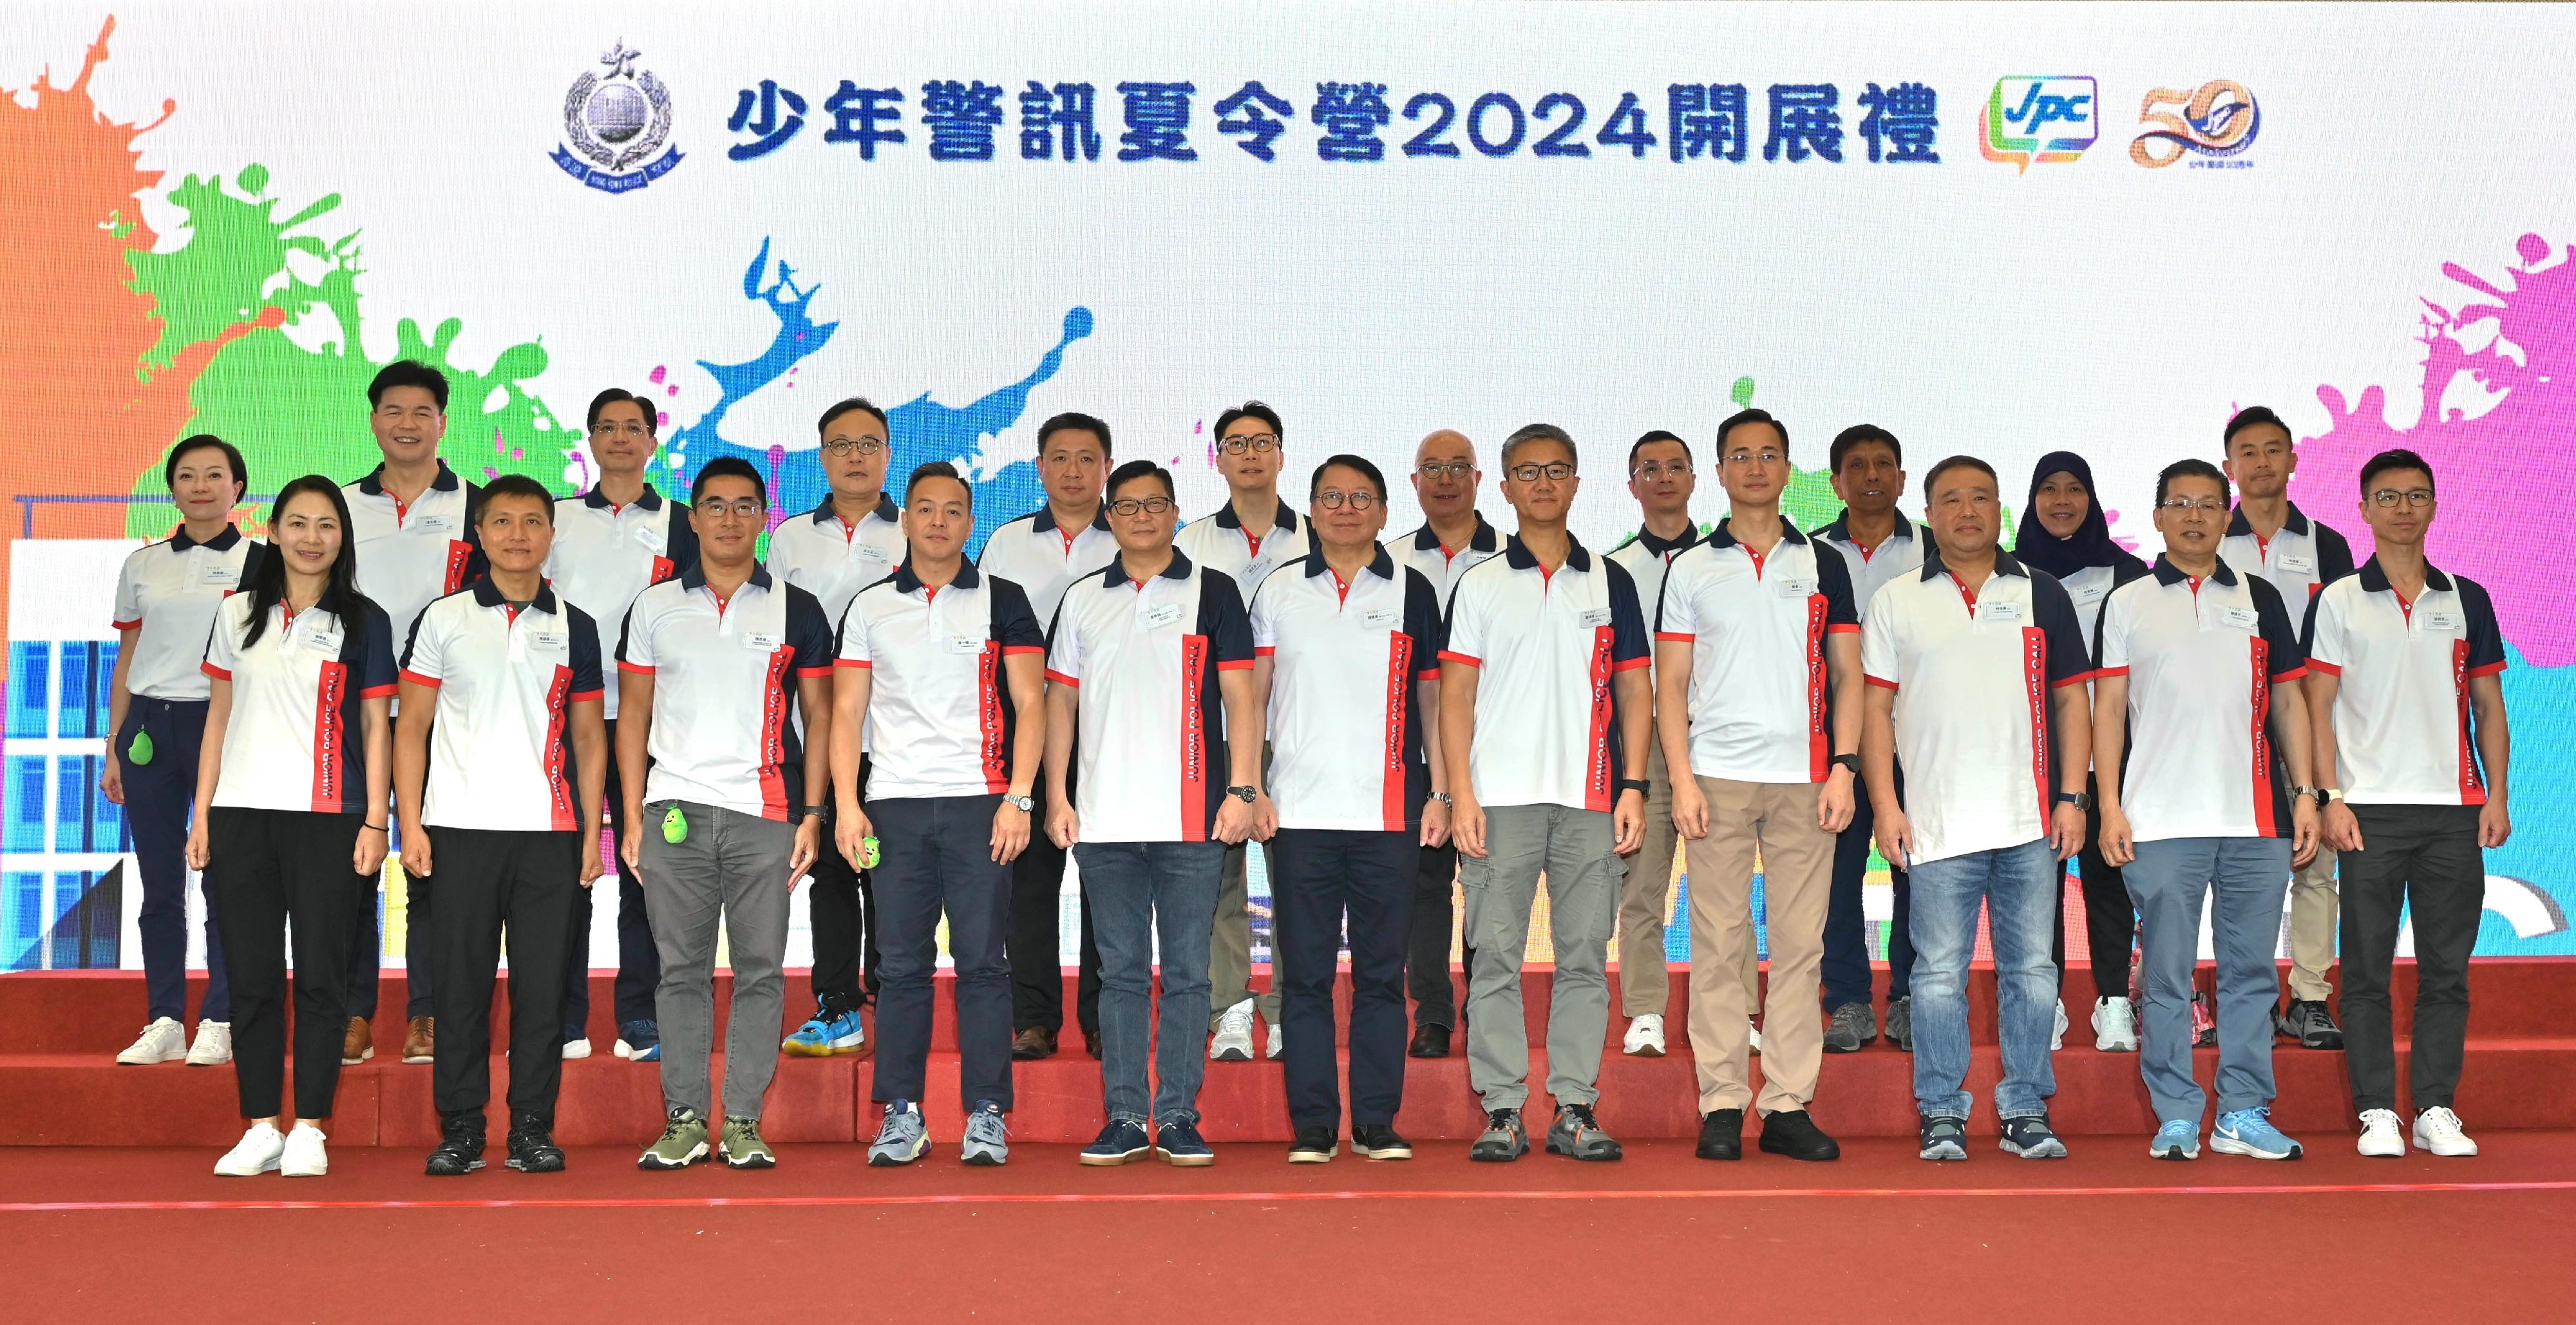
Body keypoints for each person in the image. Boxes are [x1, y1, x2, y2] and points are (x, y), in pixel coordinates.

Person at [1861, 455, 2092, 1162]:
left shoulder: (2041, 593)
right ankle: (1941, 1111)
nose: (1967, 511)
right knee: (1935, 977)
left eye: (1981, 498)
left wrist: (2073, 797)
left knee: (2032, 974)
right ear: (1928, 513)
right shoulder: (1897, 600)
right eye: (1950, 500)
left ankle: (2025, 1107)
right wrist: (1884, 805)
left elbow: (2070, 701)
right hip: (1934, 823)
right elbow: (1875, 711)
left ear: (2002, 511)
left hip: (2029, 822)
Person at [2093, 458, 2319, 1163]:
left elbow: (2288, 702)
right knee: (2164, 979)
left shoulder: (2259, 598)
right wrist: (2107, 805)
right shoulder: (2127, 601)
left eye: (2207, 505)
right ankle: (2175, 1115)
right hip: (2158, 819)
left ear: (2228, 517)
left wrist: (2308, 792)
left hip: (2256, 821)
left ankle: (2243, 1113)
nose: (2194, 516)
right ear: (2156, 517)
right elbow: (2106, 710)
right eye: (2178, 504)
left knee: (2251, 974)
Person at [1443, 424, 1651, 1164]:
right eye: (1526, 472)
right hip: (1497, 800)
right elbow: (1456, 697)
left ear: (1575, 483)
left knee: (1584, 957)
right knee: (1493, 958)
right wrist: (1459, 794)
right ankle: (1502, 1109)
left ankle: (1573, 1106)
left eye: (1556, 470)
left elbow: (1634, 691)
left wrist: (1634, 786)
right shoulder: (1480, 583)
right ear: (1503, 488)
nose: (1541, 483)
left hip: (1591, 799)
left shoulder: (1609, 580)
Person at [619, 458, 835, 1171]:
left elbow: (820, 714)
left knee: (760, 970)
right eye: (715, 506)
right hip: (673, 811)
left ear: (763, 517)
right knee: (679, 972)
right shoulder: (653, 607)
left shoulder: (795, 608)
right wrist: (632, 815)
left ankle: (742, 1120)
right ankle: (683, 1119)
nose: (730, 519)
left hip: (764, 813)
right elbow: (632, 718)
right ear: (694, 517)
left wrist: (812, 813)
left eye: (746, 506)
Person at [1656, 408, 1858, 1163]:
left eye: (1768, 454)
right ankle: (1721, 1101)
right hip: (1715, 777)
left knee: (1801, 948)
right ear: (1720, 472)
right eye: (1739, 456)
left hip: (1807, 780)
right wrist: (1681, 780)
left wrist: (1844, 766)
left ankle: (1785, 1104)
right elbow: (1669, 688)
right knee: (1716, 943)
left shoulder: (1823, 563)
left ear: (1785, 467)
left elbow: (1845, 675)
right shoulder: (1691, 569)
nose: (1755, 467)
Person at [1046, 459, 1260, 1166]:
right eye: (1128, 506)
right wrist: (1054, 796)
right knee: (1123, 972)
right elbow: (1060, 706)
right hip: (1104, 821)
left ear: (1175, 513)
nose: (1141, 517)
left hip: (1194, 820)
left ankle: (1178, 1115)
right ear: (1110, 518)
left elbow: (1241, 699)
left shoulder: (1215, 591)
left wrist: (1244, 788)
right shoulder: (1081, 599)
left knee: (1191, 973)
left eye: (1155, 505)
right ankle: (1126, 1115)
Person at [835, 462, 1046, 1168]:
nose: (937, 522)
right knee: (900, 967)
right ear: (907, 520)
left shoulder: (1003, 599)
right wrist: (846, 805)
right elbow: (846, 712)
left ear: (969, 520)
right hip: (892, 805)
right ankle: (903, 1113)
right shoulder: (868, 607)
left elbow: (1031, 704)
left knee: (985, 964)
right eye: (924, 509)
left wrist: (1019, 797)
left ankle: (987, 1114)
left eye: (952, 510)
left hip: (980, 803)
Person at [397, 476, 607, 1176]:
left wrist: (589, 834)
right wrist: (410, 823)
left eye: (532, 522)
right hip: (456, 828)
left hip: (549, 835)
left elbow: (587, 740)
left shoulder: (577, 625)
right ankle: (460, 1126)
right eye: (502, 522)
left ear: (553, 533)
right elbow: (412, 728)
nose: (518, 535)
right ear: (479, 534)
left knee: (542, 990)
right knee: (460, 987)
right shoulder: (442, 618)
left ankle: (531, 1128)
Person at [191, 476, 398, 1177]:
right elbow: (218, 715)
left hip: (329, 821)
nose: (312, 538)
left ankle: (310, 1123)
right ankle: (259, 1125)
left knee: (320, 979)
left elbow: (375, 726)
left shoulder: (365, 621)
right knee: (250, 978)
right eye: (298, 523)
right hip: (242, 816)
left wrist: (377, 817)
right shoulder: (236, 611)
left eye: (327, 526)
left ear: (343, 538)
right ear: (273, 531)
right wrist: (203, 814)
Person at [2306, 448, 2509, 1159]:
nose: (2402, 508)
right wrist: (2329, 798)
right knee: (2363, 972)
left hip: (2453, 812)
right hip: (2367, 813)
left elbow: (2487, 704)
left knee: (2446, 971)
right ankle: (2375, 1112)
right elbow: (2318, 707)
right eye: (2386, 497)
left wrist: (2496, 795)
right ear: (2362, 509)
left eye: (2416, 495)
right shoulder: (2336, 600)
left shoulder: (2465, 597)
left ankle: (2432, 1107)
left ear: (2433, 505)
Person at [1250, 455, 1444, 1163]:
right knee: (1301, 976)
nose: (1345, 508)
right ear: (1311, 507)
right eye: (1330, 496)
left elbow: (1432, 699)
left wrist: (1443, 791)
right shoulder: (1278, 592)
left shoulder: (1412, 591)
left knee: (1378, 975)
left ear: (1386, 511)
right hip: (1297, 814)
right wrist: (1251, 785)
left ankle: (1374, 1121)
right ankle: (1311, 1125)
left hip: (1389, 814)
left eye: (1361, 497)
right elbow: (1251, 698)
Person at [341, 360, 487, 1069]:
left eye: (421, 412)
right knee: (352, 869)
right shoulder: (338, 507)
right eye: (393, 410)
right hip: (352, 715)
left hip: (446, 720)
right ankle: (353, 1013)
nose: (406, 423)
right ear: (374, 419)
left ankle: (427, 1015)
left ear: (442, 422)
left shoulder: (477, 506)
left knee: (433, 870)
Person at [546, 387, 695, 1063]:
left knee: (648, 872)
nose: (619, 439)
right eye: (606, 427)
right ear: (590, 439)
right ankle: (564, 1020)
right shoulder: (552, 519)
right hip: (566, 717)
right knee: (564, 872)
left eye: (633, 428)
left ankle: (642, 1017)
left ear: (652, 441)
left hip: (652, 721)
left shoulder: (685, 523)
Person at [104, 435, 259, 1067]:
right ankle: (165, 1017)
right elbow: (128, 657)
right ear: (171, 488)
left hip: (222, 727)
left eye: (214, 475)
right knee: (160, 884)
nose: (200, 486)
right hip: (147, 729)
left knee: (224, 877)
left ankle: (220, 1017)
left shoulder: (262, 563)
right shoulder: (143, 564)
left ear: (237, 489)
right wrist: (114, 746)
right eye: (187, 476)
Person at [770, 397, 910, 1060]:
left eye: (868, 444)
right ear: (822, 457)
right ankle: (835, 1002)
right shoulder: (791, 537)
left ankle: (892, 991)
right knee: (828, 867)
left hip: (896, 735)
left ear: (887, 455)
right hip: (814, 732)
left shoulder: (915, 530)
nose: (856, 455)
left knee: (886, 871)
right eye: (841, 444)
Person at [979, 413, 1120, 1061]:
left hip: (1112, 729)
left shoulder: (1132, 540)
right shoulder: (1006, 545)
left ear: (1106, 468)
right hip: (1024, 731)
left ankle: (1100, 1016)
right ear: (1039, 468)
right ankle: (1033, 1017)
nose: (1073, 471)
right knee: (1029, 880)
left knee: (1104, 876)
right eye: (1059, 458)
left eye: (1086, 459)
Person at [2219, 405, 2360, 1051]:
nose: (2260, 463)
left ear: (2293, 461)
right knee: (2221, 867)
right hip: (2225, 730)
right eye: (2247, 452)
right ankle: (2227, 997)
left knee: (2315, 865)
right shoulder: (2206, 539)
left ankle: (2308, 998)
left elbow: (2343, 639)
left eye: (2272, 450)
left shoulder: (2326, 544)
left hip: (2307, 722)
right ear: (2229, 468)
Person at [1176, 400, 1307, 1063]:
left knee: (1295, 880)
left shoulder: (1319, 538)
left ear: (1281, 454)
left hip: (1302, 736)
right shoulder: (1191, 543)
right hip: (1215, 738)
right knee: (1217, 877)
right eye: (1235, 443)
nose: (1250, 454)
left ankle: (1285, 1008)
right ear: (1217, 458)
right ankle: (1229, 1007)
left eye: (1262, 442)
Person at [1606, 429, 1738, 1061]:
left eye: (1675, 467)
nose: (1663, 478)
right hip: (1649, 750)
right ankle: (1646, 1012)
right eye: (1648, 469)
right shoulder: (1613, 570)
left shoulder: (1730, 559)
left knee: (1726, 890)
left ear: (1696, 479)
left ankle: (1737, 1013)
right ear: (1631, 485)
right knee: (1641, 889)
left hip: (1720, 740)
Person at [2014, 451, 2151, 1055]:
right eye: (2049, 489)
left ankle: (2114, 1002)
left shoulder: (2132, 575)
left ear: (2092, 499)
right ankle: (2043, 1004)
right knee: (2035, 888)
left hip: (2115, 762)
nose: (2062, 501)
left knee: (2109, 882)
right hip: (2030, 759)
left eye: (2075, 489)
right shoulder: (2006, 576)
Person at [1811, 424, 1924, 1052]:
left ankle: (1907, 995)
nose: (1873, 475)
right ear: (1835, 483)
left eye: (1885, 464)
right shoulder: (1807, 555)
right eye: (1858, 466)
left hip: (1919, 739)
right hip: (1836, 743)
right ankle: (1849, 1001)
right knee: (1837, 873)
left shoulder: (1933, 551)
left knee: (1917, 872)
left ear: (1903, 479)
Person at [1392, 428, 1502, 1058]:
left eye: (1458, 466)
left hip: (1499, 742)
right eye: (1431, 467)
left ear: (1480, 479)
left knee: (1488, 885)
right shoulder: (1390, 559)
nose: (1445, 478)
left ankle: (1485, 1010)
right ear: (1413, 483)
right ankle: (1432, 1012)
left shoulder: (1513, 556)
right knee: (1425, 886)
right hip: (1414, 749)